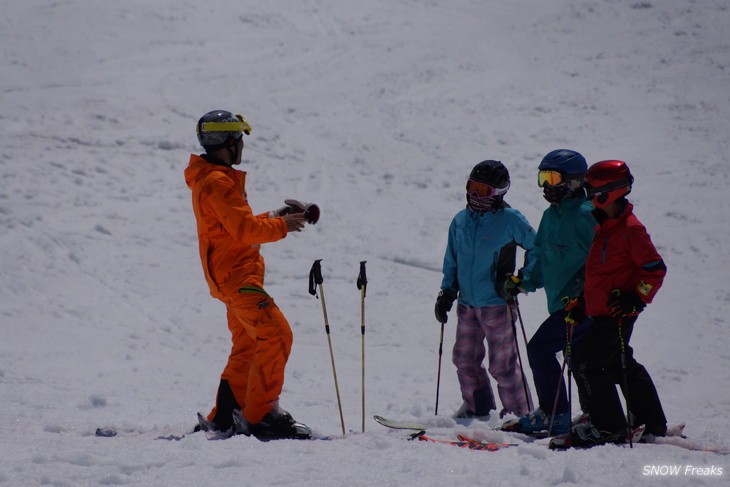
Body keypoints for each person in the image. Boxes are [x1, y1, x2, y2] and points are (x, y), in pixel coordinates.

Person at [184, 110, 318, 440]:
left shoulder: (216, 179)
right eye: (240, 139)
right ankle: (261, 416)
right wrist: (283, 225)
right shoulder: (217, 182)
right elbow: (245, 230)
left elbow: (235, 225)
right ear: (229, 142)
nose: (242, 146)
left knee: (248, 345)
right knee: (276, 334)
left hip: (236, 276)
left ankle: (226, 417)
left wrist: (276, 215)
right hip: (237, 279)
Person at [564, 159, 667, 448]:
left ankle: (608, 428)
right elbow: (599, 276)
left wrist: (636, 298)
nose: (588, 199)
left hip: (618, 313)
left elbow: (655, 270)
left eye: (591, 192)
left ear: (607, 192)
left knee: (585, 363)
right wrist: (582, 303)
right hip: (600, 312)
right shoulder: (604, 227)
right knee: (619, 365)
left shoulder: (630, 230)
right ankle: (651, 422)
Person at [500, 149, 595, 435]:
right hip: (561, 305)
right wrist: (523, 282)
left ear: (575, 182)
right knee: (580, 360)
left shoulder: (585, 216)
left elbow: (601, 261)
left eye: (553, 178)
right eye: (543, 178)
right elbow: (541, 257)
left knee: (540, 349)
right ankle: (595, 412)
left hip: (582, 307)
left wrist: (585, 297)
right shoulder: (550, 215)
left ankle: (555, 414)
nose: (546, 186)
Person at [435, 160, 536, 419]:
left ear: (500, 194)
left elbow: (538, 249)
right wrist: (447, 292)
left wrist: (521, 280)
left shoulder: (510, 220)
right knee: (464, 360)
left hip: (497, 304)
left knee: (502, 366)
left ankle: (520, 415)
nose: (475, 196)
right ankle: (477, 407)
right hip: (467, 305)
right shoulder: (460, 221)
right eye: (472, 187)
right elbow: (452, 260)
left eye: (484, 191)